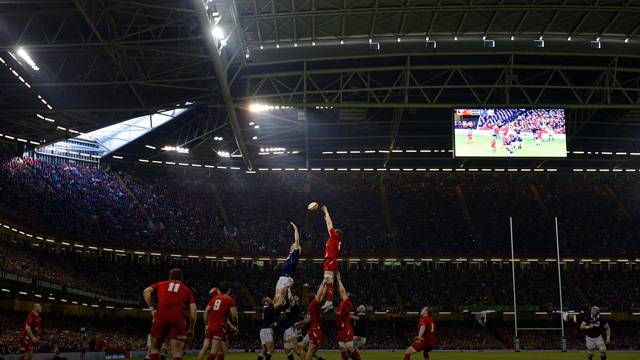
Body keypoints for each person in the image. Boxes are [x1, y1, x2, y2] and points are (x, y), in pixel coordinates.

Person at [143, 268, 197, 360]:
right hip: (177, 317)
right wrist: (191, 329)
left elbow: (146, 291)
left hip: (161, 316)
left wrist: (152, 309)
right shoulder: (186, 289)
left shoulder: (161, 284)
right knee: (177, 353)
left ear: (169, 278)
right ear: (182, 279)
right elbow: (193, 310)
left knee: (155, 349)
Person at [272, 222, 302, 327]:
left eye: (294, 246)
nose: (293, 246)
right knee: (275, 299)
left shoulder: (295, 255)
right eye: (292, 246)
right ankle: (275, 317)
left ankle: (276, 319)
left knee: (280, 297)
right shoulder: (288, 257)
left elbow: (297, 241)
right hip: (282, 277)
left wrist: (296, 230)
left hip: (287, 278)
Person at [202, 282, 238, 360]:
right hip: (219, 326)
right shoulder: (229, 300)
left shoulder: (213, 299)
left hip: (211, 325)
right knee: (214, 352)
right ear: (228, 290)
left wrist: (206, 325)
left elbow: (206, 311)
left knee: (222, 350)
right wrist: (236, 326)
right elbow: (234, 316)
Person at [320, 205, 343, 312]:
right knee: (329, 281)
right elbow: (329, 226)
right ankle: (328, 300)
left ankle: (329, 301)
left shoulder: (335, 237)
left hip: (331, 260)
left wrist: (327, 213)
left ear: (336, 233)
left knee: (327, 280)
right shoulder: (333, 239)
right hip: (331, 260)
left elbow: (330, 225)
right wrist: (326, 221)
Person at [335, 273, 361, 360]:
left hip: (346, 328)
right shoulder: (342, 303)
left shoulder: (348, 303)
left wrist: (339, 280)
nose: (345, 294)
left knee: (349, 348)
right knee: (342, 348)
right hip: (340, 329)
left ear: (348, 297)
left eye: (347, 294)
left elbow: (342, 291)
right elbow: (340, 291)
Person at [258, 287, 288, 360]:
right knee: (271, 348)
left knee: (264, 350)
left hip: (264, 330)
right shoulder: (268, 309)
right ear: (266, 303)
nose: (272, 300)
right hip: (267, 330)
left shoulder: (266, 309)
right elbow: (279, 303)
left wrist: (278, 294)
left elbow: (275, 301)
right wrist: (281, 293)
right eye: (270, 300)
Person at [306, 278, 329, 360]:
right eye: (315, 296)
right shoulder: (312, 305)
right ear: (313, 299)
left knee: (312, 350)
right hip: (315, 329)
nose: (317, 297)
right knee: (310, 350)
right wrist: (323, 283)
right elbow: (319, 295)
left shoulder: (315, 305)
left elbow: (321, 295)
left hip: (317, 329)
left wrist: (327, 285)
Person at [283, 288, 301, 360]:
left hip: (291, 328)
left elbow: (290, 298)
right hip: (286, 329)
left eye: (296, 297)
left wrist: (288, 288)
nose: (294, 297)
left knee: (294, 347)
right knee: (287, 349)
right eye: (294, 296)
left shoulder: (296, 306)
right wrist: (282, 292)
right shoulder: (288, 305)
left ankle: (304, 358)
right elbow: (283, 300)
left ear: (298, 300)